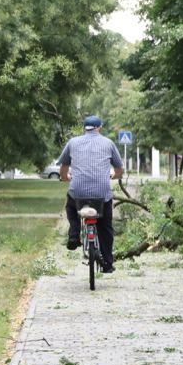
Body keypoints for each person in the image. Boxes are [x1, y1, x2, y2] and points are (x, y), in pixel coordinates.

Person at [58, 115, 123, 273]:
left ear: (84, 128)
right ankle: (107, 263)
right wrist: (113, 176)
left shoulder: (73, 142)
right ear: (99, 128)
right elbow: (120, 170)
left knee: (70, 206)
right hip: (102, 193)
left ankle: (74, 233)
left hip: (78, 191)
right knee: (105, 227)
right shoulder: (108, 143)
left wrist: (66, 178)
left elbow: (63, 168)